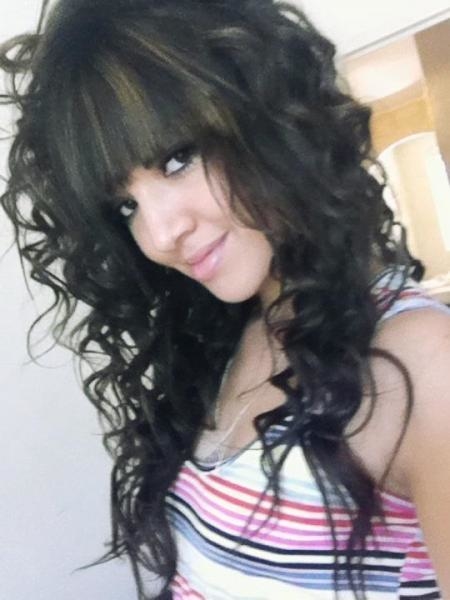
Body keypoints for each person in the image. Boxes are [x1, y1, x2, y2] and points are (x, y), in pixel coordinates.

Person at [1, 0, 450, 598]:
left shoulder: (424, 362)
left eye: (177, 158)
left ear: (268, 118)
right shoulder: (232, 332)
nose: (160, 234)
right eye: (126, 205)